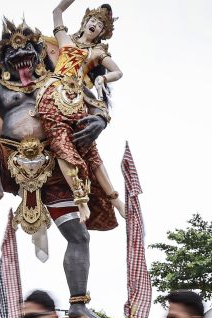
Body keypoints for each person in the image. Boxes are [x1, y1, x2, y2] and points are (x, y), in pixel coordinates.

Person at [42, 1, 126, 223]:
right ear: (85, 21)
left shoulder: (97, 51)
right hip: (53, 92)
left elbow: (118, 72)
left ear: (101, 32)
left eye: (100, 25)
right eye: (93, 20)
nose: (95, 25)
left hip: (76, 96)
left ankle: (115, 199)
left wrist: (102, 77)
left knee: (90, 148)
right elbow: (57, 11)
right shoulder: (65, 39)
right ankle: (80, 201)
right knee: (60, 142)